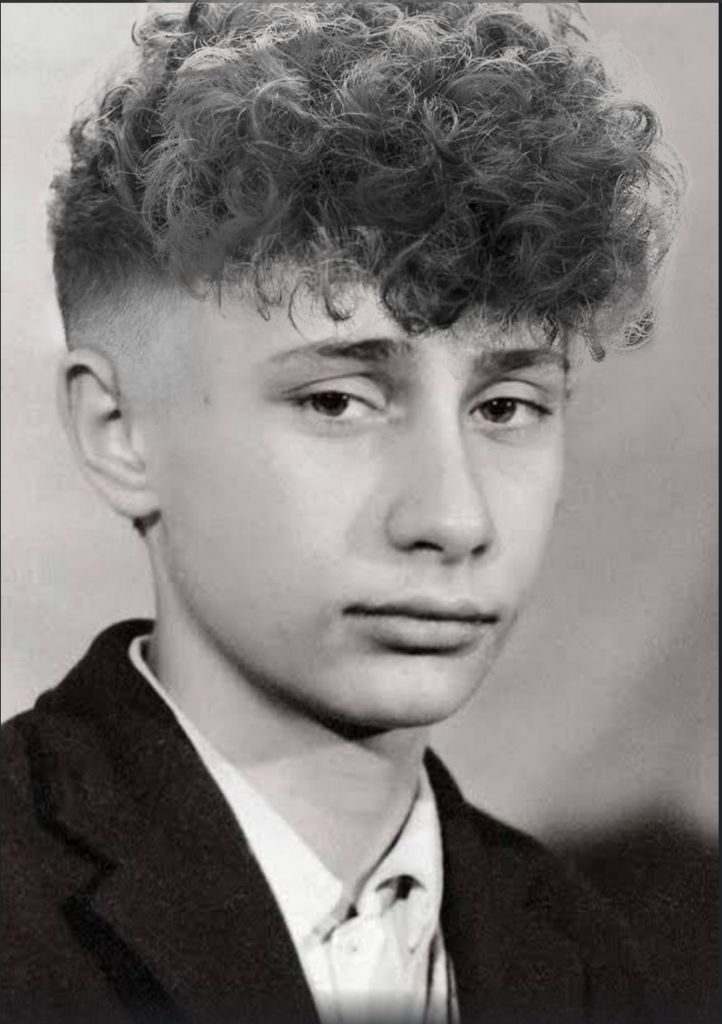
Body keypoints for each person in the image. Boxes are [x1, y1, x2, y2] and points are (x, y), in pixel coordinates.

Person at [1, 3, 684, 1023]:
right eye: (336, 402)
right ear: (118, 431)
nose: (455, 519)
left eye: (506, 407)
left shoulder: (582, 957)